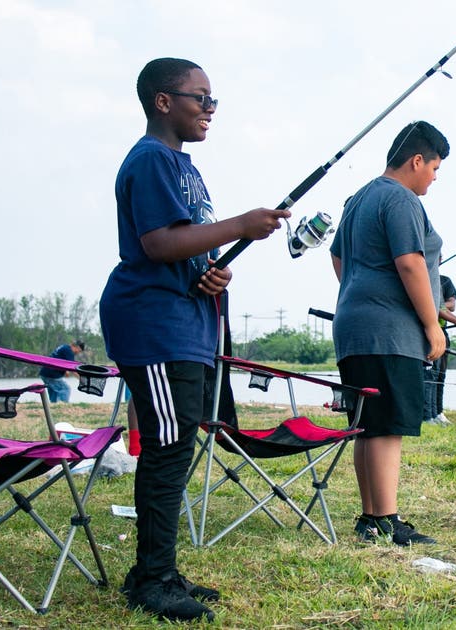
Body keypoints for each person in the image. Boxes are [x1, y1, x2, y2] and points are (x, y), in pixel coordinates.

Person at [99, 57, 289, 622]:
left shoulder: (184, 166)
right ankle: (153, 581)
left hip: (187, 324)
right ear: (163, 101)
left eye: (213, 100)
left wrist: (212, 270)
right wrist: (241, 225)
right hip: (155, 326)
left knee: (178, 448)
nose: (210, 109)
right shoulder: (151, 159)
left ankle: (157, 569)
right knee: (167, 449)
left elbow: (186, 246)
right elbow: (158, 243)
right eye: (200, 98)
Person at [330, 120, 449, 546]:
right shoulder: (400, 198)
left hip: (354, 326)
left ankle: (371, 518)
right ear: (417, 160)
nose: (434, 178)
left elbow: (338, 258)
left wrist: (362, 291)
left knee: (367, 424)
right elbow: (410, 262)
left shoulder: (358, 198)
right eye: (434, 168)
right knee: (386, 426)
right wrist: (432, 325)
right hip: (389, 332)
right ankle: (387, 520)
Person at [423, 273, 456, 425]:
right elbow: (435, 307)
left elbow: (446, 307)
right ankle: (427, 415)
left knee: (439, 374)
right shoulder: (426, 279)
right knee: (430, 374)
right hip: (427, 333)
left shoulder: (443, 281)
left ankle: (437, 412)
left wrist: (440, 307)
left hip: (442, 331)